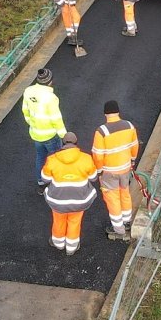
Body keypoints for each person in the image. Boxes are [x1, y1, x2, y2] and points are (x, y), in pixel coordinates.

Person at [41, 132, 99, 254]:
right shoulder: (86, 158)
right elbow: (94, 177)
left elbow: (44, 178)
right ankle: (71, 248)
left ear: (62, 144)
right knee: (74, 222)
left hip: (57, 200)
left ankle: (58, 243)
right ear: (76, 143)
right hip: (79, 200)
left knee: (58, 221)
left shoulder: (52, 159)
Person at [92, 100, 141, 241]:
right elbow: (134, 146)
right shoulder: (129, 126)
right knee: (124, 193)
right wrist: (132, 160)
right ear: (118, 112)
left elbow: (97, 154)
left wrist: (99, 171)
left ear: (105, 114)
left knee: (112, 198)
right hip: (125, 168)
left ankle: (118, 229)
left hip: (109, 171)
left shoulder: (101, 131)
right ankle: (126, 221)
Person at [21, 68, 66, 186]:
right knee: (56, 158)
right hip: (50, 135)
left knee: (40, 157)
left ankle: (41, 181)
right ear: (50, 81)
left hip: (36, 133)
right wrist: (64, 136)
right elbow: (56, 119)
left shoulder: (28, 91)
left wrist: (31, 123)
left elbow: (25, 111)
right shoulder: (51, 97)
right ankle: (57, 181)